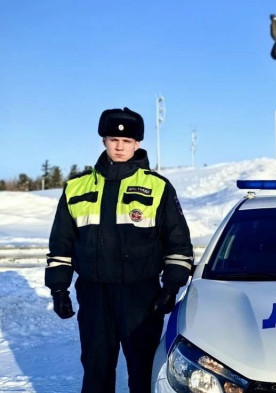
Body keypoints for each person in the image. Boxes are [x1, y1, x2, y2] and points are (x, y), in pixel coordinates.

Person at [45, 107, 194, 392]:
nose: (120, 146)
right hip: (94, 294)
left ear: (137, 144)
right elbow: (60, 244)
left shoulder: (158, 187)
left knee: (143, 369)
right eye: (114, 139)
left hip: (140, 295)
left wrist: (170, 287)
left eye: (127, 141)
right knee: (96, 369)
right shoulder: (76, 188)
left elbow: (178, 243)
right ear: (103, 140)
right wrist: (58, 289)